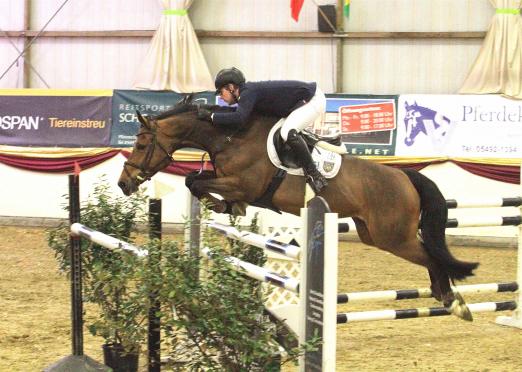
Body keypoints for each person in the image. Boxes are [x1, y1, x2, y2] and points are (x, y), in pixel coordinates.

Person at [197, 67, 328, 193]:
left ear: (231, 88)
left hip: (313, 99)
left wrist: (211, 116)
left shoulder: (248, 92)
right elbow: (238, 114)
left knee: (287, 132)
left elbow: (239, 117)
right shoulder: (246, 94)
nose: (221, 96)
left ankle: (315, 175)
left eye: (221, 92)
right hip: (299, 103)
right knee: (284, 130)